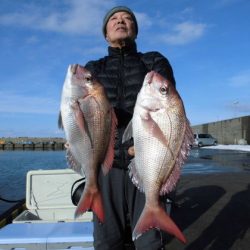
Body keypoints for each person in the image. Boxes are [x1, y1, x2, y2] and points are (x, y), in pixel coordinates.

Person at [84, 6, 176, 250]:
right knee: (106, 241)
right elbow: (81, 113)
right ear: (106, 34)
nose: (120, 21)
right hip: (107, 164)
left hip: (146, 161)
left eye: (127, 19)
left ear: (135, 30)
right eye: (114, 19)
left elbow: (168, 109)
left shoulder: (153, 61)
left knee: (149, 243)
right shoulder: (93, 69)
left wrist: (142, 146)